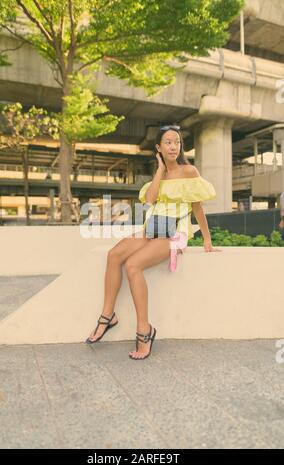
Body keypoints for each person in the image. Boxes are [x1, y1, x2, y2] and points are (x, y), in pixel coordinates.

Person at [85, 124, 222, 360]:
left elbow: (197, 207)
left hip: (174, 234)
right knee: (114, 255)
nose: (173, 146)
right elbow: (149, 201)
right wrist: (160, 169)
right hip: (152, 229)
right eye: (168, 142)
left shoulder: (189, 171)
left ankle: (144, 330)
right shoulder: (159, 174)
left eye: (177, 142)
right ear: (158, 148)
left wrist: (207, 240)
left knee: (133, 265)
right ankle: (108, 316)